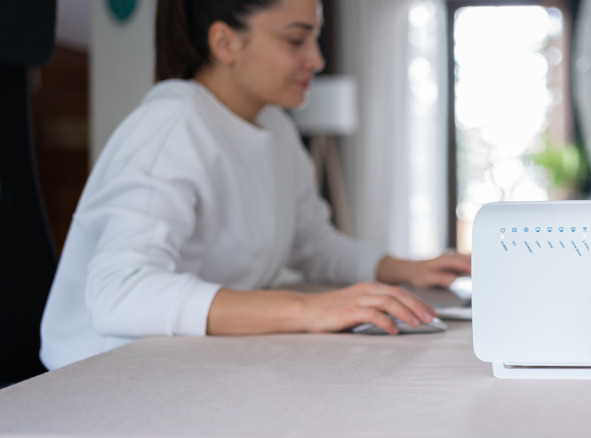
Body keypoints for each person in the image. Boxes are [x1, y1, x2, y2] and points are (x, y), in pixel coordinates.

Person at [39, 0, 470, 370]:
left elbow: (314, 244)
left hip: (191, 360)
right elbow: (119, 291)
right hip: (112, 372)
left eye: (315, 38)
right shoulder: (172, 127)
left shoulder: (275, 128)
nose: (316, 60)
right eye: (296, 39)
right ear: (225, 42)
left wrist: (406, 269)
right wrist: (307, 309)